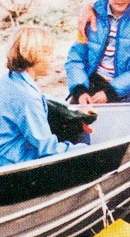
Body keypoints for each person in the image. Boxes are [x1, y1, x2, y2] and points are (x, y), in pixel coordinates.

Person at [0, 28, 77, 166]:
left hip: (7, 153)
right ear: (32, 55)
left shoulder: (9, 79)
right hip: (14, 161)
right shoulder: (27, 96)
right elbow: (47, 148)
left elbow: (42, 98)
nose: (53, 59)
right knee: (80, 138)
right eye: (48, 54)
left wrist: (72, 110)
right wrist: (86, 149)